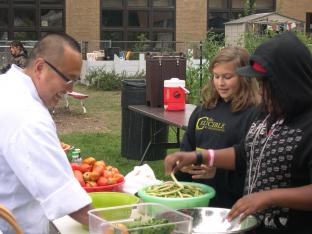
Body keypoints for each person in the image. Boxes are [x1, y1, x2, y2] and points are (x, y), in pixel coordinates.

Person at [164, 31, 312, 234]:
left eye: (266, 85)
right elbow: (245, 153)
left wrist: (269, 196)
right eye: (259, 84)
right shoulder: (268, 113)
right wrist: (199, 155)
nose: (260, 91)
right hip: (251, 225)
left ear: (288, 83)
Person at [0, 33, 92, 234]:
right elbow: (66, 198)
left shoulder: (6, 85)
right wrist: (113, 227)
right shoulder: (27, 115)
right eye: (68, 79)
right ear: (40, 68)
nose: (70, 89)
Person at [175, 47, 260, 208]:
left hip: (232, 206)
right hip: (197, 201)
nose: (220, 83)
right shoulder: (203, 110)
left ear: (245, 78)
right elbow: (187, 149)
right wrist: (183, 167)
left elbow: (254, 169)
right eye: (216, 76)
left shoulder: (255, 115)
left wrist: (217, 173)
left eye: (228, 77)